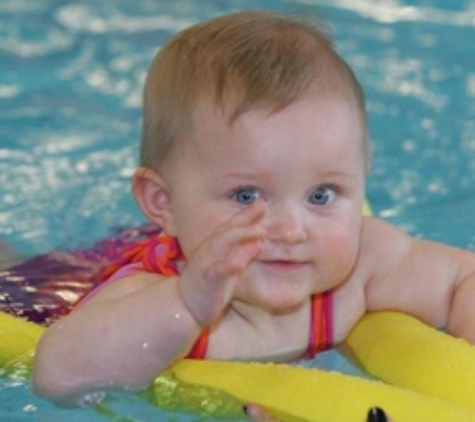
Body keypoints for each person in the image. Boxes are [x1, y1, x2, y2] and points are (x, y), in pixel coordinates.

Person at [32, 9, 475, 413]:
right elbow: (56, 376)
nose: (289, 230)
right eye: (247, 196)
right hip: (80, 275)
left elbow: (462, 279)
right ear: (162, 202)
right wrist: (187, 303)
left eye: (321, 194)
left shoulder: (362, 266)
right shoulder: (150, 295)